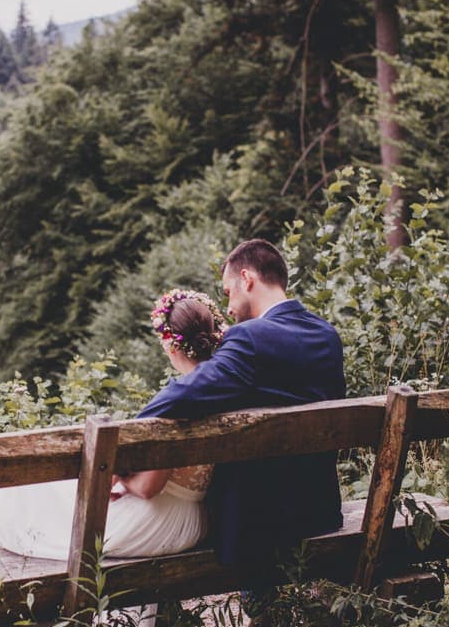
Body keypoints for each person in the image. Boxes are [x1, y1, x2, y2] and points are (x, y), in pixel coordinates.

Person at [0, 289, 227, 560]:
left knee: (11, 497)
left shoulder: (178, 400)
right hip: (195, 517)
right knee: (34, 498)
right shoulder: (225, 389)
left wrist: (125, 483)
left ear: (170, 344)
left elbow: (148, 488)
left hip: (159, 521)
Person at [137, 239, 346, 569]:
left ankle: (261, 611)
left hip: (255, 526)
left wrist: (130, 429)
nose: (228, 306)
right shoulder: (327, 336)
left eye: (228, 291)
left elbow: (189, 393)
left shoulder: (249, 338)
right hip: (319, 511)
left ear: (247, 279)